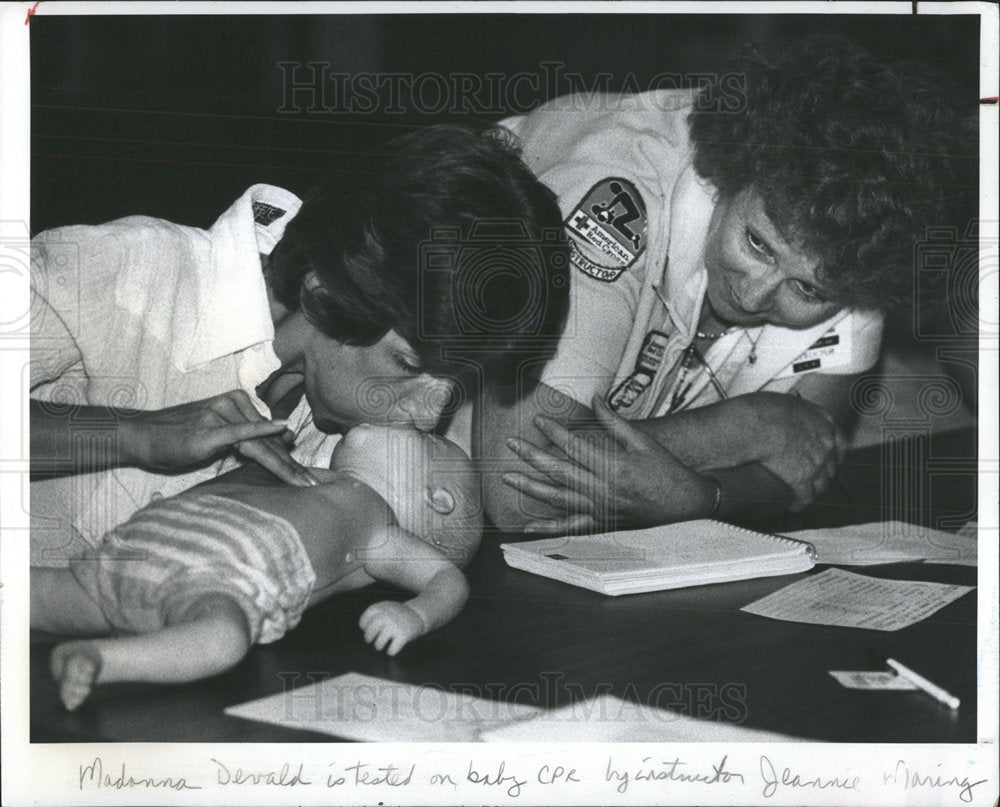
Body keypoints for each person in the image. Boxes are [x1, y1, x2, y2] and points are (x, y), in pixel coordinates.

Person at [479, 34, 975, 533]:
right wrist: (751, 427)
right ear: (732, 172)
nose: (754, 295)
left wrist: (700, 498)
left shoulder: (857, 255)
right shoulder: (617, 196)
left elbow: (798, 477)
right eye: (758, 244)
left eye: (807, 291)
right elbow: (514, 489)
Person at [30, 124, 570, 564]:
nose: (431, 417)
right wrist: (134, 434)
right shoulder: (119, 272)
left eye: (458, 381)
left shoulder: (343, 417)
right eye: (409, 365)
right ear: (327, 296)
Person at [32, 425, 482, 711]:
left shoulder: (379, 528)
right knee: (32, 591)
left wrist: (415, 614)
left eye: (426, 437)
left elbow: (447, 580)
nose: (408, 420)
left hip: (210, 584)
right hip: (125, 553)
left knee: (224, 637)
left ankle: (99, 659)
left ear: (437, 500)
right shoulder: (299, 468)